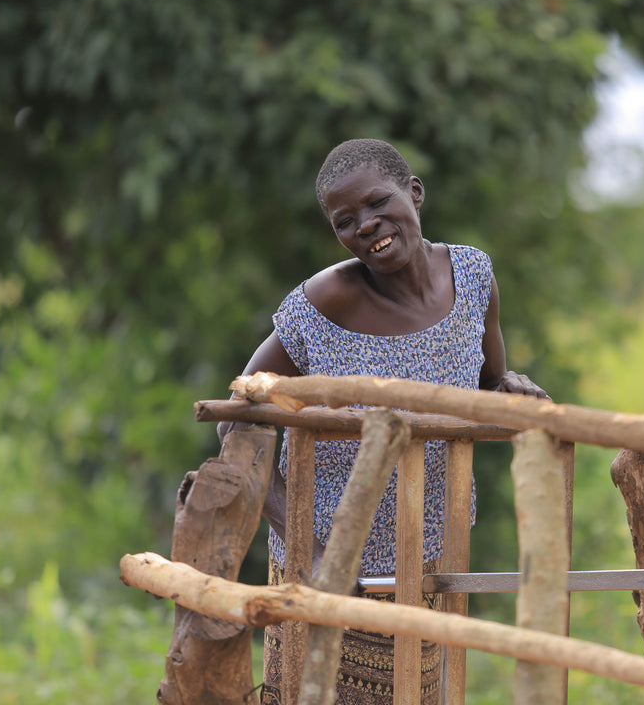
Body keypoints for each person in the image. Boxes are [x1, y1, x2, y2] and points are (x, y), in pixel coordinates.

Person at [223, 138, 546, 705]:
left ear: (414, 192)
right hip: (327, 568)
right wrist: (311, 550)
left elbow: (487, 385)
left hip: (429, 558)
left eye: (377, 203)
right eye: (345, 221)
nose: (367, 226)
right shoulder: (324, 303)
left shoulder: (473, 277)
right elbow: (236, 420)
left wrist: (512, 389)